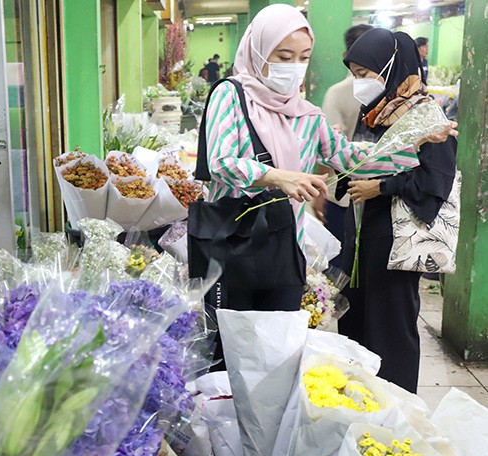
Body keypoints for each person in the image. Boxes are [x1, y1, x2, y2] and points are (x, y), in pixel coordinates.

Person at [192, 4, 454, 314]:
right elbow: (220, 161)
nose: (295, 67)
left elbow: (351, 158)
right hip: (230, 243)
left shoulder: (309, 116)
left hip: (285, 248)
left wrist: (415, 144)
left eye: (303, 58)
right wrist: (278, 176)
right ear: (258, 51)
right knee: (226, 342)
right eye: (284, 57)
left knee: (280, 343)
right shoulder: (230, 96)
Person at [338, 28, 458, 393]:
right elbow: (360, 159)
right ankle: (361, 405)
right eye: (355, 75)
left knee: (391, 328)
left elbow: (436, 180)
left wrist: (382, 186)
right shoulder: (374, 112)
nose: (359, 83)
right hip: (361, 236)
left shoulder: (426, 116)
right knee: (355, 324)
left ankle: (399, 412)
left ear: (390, 66)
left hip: (395, 240)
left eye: (364, 74)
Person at [315, 24, 373, 264]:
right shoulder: (391, 91)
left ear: (345, 57)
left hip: (343, 195)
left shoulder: (337, 93)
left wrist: (320, 190)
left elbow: (327, 149)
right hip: (377, 196)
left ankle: (342, 302)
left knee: (340, 263)